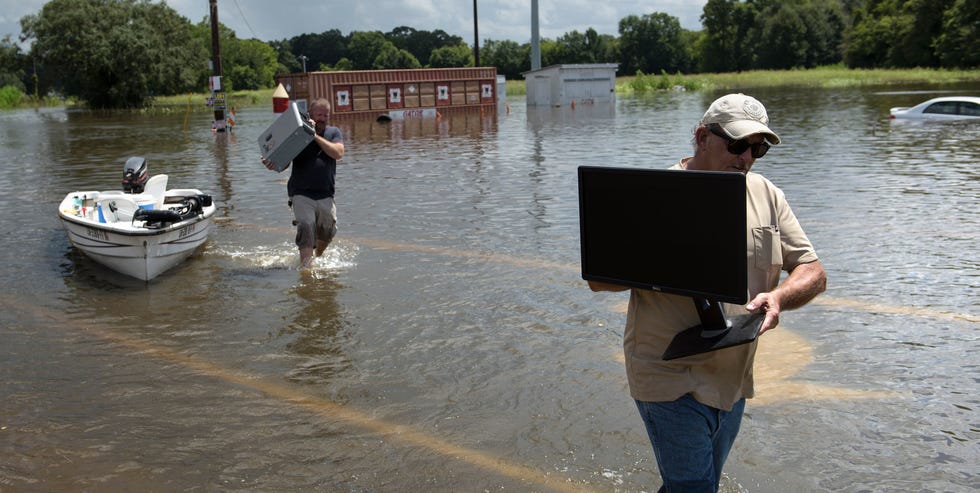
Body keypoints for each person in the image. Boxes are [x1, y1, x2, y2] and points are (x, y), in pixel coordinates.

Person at [588, 93, 827, 492]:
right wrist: (659, 260)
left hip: (733, 376)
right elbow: (600, 280)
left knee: (700, 482)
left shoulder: (767, 194)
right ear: (701, 137)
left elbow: (813, 271)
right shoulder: (651, 196)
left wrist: (780, 297)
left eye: (758, 148)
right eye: (737, 145)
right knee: (694, 487)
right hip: (668, 372)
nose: (747, 157)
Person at [263, 98, 345, 268]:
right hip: (301, 193)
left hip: (325, 194)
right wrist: (272, 164)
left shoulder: (333, 133)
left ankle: (318, 256)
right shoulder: (297, 134)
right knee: (307, 227)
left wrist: (314, 136)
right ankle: (306, 271)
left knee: (327, 232)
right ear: (310, 114)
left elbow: (338, 153)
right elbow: (283, 162)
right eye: (319, 114)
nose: (322, 118)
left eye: (325, 115)